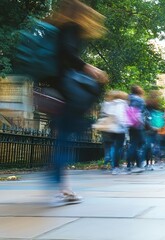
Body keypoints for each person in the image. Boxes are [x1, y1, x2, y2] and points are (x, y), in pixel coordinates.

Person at [45, 0, 108, 205]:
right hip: (65, 89)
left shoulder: (55, 26)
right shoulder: (70, 27)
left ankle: (58, 179)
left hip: (51, 88)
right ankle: (61, 184)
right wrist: (89, 68)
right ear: (80, 13)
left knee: (63, 135)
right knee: (66, 136)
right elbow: (68, 54)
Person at [96, 90, 129, 175]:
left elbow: (104, 114)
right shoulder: (122, 104)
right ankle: (116, 167)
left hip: (109, 129)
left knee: (112, 147)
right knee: (118, 148)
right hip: (119, 128)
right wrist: (125, 126)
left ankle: (113, 165)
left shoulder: (107, 103)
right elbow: (121, 116)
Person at [126, 85, 146, 173]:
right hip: (137, 124)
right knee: (140, 143)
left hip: (129, 123)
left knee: (132, 143)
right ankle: (139, 164)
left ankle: (129, 164)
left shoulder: (127, 98)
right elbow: (141, 112)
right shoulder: (140, 100)